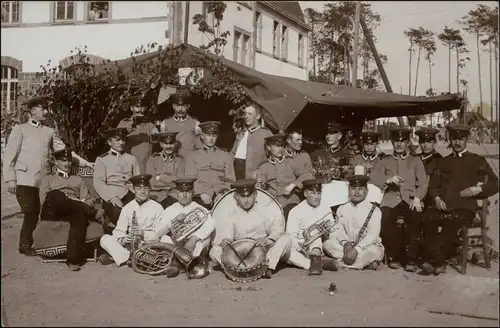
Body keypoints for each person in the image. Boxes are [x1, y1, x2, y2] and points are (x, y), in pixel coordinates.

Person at [3, 94, 91, 256]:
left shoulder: (49, 131)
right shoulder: (20, 129)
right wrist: (10, 179)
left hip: (42, 181)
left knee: (41, 211)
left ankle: (43, 242)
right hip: (25, 179)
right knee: (30, 211)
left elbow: (64, 151)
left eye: (47, 108)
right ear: (32, 111)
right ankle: (25, 245)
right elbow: (9, 155)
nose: (47, 112)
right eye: (43, 109)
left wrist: (87, 163)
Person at [420, 124, 499, 275]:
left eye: (461, 139)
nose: (457, 142)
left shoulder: (477, 160)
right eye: (454, 139)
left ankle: (433, 261)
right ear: (450, 139)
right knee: (428, 218)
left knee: (452, 221)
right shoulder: (444, 161)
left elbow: (496, 183)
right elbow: (433, 186)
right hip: (443, 206)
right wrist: (436, 198)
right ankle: (439, 263)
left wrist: (479, 189)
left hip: (464, 207)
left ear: (466, 140)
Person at [370, 126, 428, 272]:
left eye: (402, 141)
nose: (399, 144)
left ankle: (411, 259)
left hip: (409, 199)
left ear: (408, 142)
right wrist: (388, 180)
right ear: (392, 142)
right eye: (396, 141)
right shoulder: (385, 160)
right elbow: (373, 179)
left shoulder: (415, 161)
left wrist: (417, 198)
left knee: (415, 218)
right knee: (386, 217)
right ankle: (393, 257)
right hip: (390, 199)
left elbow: (423, 183)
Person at [209, 179, 292, 279]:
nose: (246, 200)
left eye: (248, 196)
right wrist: (226, 242)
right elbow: (228, 237)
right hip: (240, 254)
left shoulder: (265, 211)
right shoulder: (231, 215)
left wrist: (267, 240)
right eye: (242, 196)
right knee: (214, 251)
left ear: (255, 195)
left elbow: (277, 230)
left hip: (263, 251)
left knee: (286, 239)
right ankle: (234, 269)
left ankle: (266, 268)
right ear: (236, 197)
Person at [38, 148, 95, 271]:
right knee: (56, 195)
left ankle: (72, 260)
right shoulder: (48, 178)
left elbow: (88, 200)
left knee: (79, 217)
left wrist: (77, 203)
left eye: (69, 160)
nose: (67, 163)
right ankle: (92, 213)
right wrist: (67, 200)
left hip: (73, 211)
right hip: (52, 211)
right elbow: (44, 200)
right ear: (56, 162)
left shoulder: (78, 179)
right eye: (64, 160)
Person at [99, 174, 164, 267]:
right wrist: (124, 239)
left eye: (145, 188)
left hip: (149, 244)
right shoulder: (127, 208)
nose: (142, 191)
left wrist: (142, 233)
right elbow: (119, 230)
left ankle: (121, 257)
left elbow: (159, 234)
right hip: (130, 246)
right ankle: (131, 258)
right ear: (133, 190)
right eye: (139, 188)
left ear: (150, 189)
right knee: (104, 239)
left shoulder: (157, 207)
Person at [154, 178, 215, 277]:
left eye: (188, 191)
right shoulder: (170, 209)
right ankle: (183, 263)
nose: (185, 195)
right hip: (176, 244)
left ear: (193, 193)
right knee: (164, 239)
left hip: (193, 245)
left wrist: (194, 238)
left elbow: (211, 224)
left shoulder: (199, 209)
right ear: (176, 193)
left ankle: (178, 264)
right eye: (181, 191)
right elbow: (158, 233)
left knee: (204, 240)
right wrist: (173, 222)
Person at [323, 174, 384, 270]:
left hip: (366, 247)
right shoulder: (341, 208)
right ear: (348, 190)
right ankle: (364, 264)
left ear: (366, 191)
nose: (356, 192)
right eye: (353, 189)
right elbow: (339, 229)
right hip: (345, 247)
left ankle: (338, 263)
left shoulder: (374, 210)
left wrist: (356, 250)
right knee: (327, 244)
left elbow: (372, 236)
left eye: (360, 189)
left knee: (373, 252)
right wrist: (346, 244)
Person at [286, 179, 338, 275]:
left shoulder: (326, 208)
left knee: (318, 239)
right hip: (301, 247)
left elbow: (334, 232)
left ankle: (316, 262)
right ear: (305, 194)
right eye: (313, 193)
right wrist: (303, 246)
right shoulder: (295, 211)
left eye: (319, 193)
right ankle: (318, 264)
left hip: (323, 244)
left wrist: (327, 234)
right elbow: (290, 237)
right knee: (288, 255)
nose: (316, 197)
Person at [255, 134, 312, 219]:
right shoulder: (264, 166)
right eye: (277, 146)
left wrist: (293, 184)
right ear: (269, 147)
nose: (280, 149)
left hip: (290, 200)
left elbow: (308, 175)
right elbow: (260, 186)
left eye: (282, 146)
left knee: (288, 214)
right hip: (272, 202)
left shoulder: (291, 162)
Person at [93, 128, 141, 228]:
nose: (121, 143)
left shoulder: (131, 158)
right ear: (109, 142)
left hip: (130, 193)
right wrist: (111, 197)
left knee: (140, 213)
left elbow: (138, 180)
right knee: (118, 214)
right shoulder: (102, 159)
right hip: (112, 194)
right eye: (117, 140)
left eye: (123, 140)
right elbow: (99, 182)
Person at [184, 121, 235, 209]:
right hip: (200, 194)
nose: (211, 138)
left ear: (217, 137)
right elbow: (191, 178)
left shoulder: (226, 155)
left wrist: (223, 193)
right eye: (208, 135)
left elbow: (230, 178)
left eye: (214, 135)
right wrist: (201, 193)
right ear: (202, 136)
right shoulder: (193, 156)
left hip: (221, 192)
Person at [231, 101, 272, 180]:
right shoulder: (241, 133)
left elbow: (274, 157)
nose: (246, 116)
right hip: (236, 176)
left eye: (250, 114)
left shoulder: (265, 133)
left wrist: (262, 170)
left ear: (258, 116)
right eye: (245, 114)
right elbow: (232, 153)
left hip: (254, 178)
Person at [116, 91, 156, 173]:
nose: (139, 110)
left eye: (142, 107)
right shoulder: (124, 122)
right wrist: (132, 124)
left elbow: (155, 142)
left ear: (145, 108)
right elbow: (117, 137)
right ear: (131, 108)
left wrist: (156, 135)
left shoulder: (150, 125)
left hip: (145, 166)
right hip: (128, 165)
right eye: (137, 107)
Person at [156, 88, 202, 158]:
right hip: (172, 162)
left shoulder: (195, 123)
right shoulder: (165, 122)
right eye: (177, 106)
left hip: (189, 162)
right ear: (173, 106)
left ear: (188, 106)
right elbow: (162, 145)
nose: (180, 109)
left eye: (183, 106)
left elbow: (200, 147)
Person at [146, 132, 185, 209]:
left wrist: (160, 177)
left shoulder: (180, 160)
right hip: (155, 194)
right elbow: (151, 181)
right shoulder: (153, 159)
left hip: (174, 195)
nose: (169, 146)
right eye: (166, 144)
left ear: (175, 144)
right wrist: (169, 184)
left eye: (171, 143)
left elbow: (180, 181)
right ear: (161, 144)